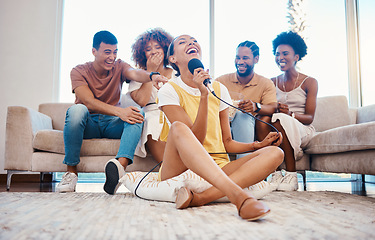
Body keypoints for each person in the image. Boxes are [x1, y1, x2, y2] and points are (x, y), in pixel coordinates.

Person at [157, 34, 284, 221]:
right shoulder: (168, 90)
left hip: (217, 164)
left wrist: (258, 145)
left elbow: (227, 143)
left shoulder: (218, 88)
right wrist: (203, 96)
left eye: (193, 40)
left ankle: (200, 198)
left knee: (275, 153)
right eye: (183, 42)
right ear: (173, 59)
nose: (191, 43)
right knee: (178, 127)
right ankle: (239, 197)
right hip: (179, 167)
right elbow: (196, 140)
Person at [56, 30, 167, 194]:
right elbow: (88, 102)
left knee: (137, 112)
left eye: (115, 52)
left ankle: (119, 168)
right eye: (107, 52)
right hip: (88, 124)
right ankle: (71, 172)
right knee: (76, 110)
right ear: (94, 51)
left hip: (111, 125)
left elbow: (135, 73)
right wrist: (119, 112)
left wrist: (151, 75)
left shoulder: (119, 66)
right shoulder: (78, 71)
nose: (112, 57)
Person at [267, 31, 318, 191]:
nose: (280, 57)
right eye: (277, 54)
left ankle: (291, 175)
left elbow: (309, 117)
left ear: (296, 56)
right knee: (270, 120)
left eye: (285, 53)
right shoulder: (271, 82)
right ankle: (274, 174)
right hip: (278, 126)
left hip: (303, 129)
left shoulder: (309, 82)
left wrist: (291, 114)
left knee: (281, 119)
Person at [216, 41, 277, 159]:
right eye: (237, 58)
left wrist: (255, 107)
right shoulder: (221, 81)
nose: (240, 62)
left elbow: (273, 107)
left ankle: (244, 164)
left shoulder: (265, 83)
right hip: (222, 125)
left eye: (245, 58)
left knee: (242, 115)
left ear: (256, 59)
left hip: (246, 126)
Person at [125, 28, 174, 163]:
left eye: (157, 47)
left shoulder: (177, 74)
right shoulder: (138, 76)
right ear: (142, 54)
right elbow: (142, 101)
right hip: (151, 113)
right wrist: (150, 72)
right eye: (148, 49)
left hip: (175, 112)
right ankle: (168, 170)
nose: (153, 51)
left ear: (165, 50)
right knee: (152, 122)